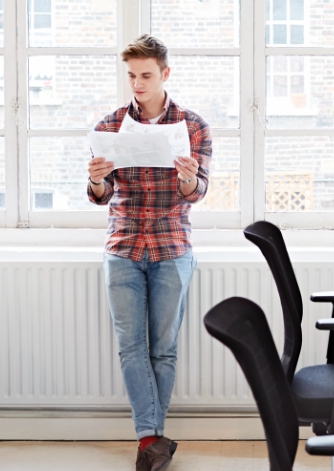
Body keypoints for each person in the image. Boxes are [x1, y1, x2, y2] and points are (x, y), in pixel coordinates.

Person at [86, 34, 211, 471]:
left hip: (172, 247)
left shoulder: (193, 126)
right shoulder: (109, 125)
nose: (137, 84)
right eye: (131, 76)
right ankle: (150, 438)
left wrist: (189, 179)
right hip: (122, 247)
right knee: (130, 347)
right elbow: (100, 195)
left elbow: (198, 193)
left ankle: (150, 442)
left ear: (164, 74)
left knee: (164, 348)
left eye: (145, 75)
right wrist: (99, 179)